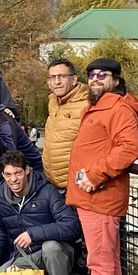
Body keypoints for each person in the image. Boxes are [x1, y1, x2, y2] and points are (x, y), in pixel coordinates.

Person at [59, 56, 138, 275]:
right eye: (92, 75)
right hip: (93, 197)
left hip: (100, 196)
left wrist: (94, 175)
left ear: (116, 80)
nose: (95, 79)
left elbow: (128, 149)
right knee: (110, 259)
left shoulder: (117, 108)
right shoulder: (101, 106)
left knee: (100, 261)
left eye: (102, 75)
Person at [40, 56, 90, 193]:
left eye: (61, 76)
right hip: (54, 186)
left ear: (73, 79)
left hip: (77, 187)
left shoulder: (87, 104)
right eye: (52, 77)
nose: (57, 82)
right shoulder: (53, 103)